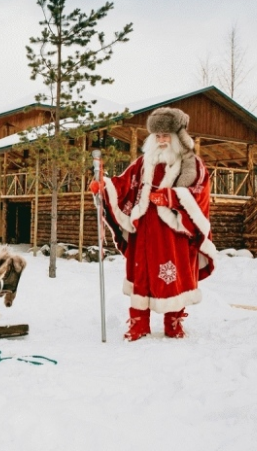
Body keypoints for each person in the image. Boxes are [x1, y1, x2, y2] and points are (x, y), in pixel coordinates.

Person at [90, 107, 217, 340]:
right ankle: (139, 324)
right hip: (144, 233)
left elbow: (199, 192)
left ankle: (174, 323)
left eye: (166, 135)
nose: (161, 140)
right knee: (142, 276)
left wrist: (171, 198)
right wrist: (104, 185)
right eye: (157, 136)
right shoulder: (143, 162)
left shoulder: (191, 165)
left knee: (173, 276)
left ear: (177, 137)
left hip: (173, 235)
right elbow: (124, 184)